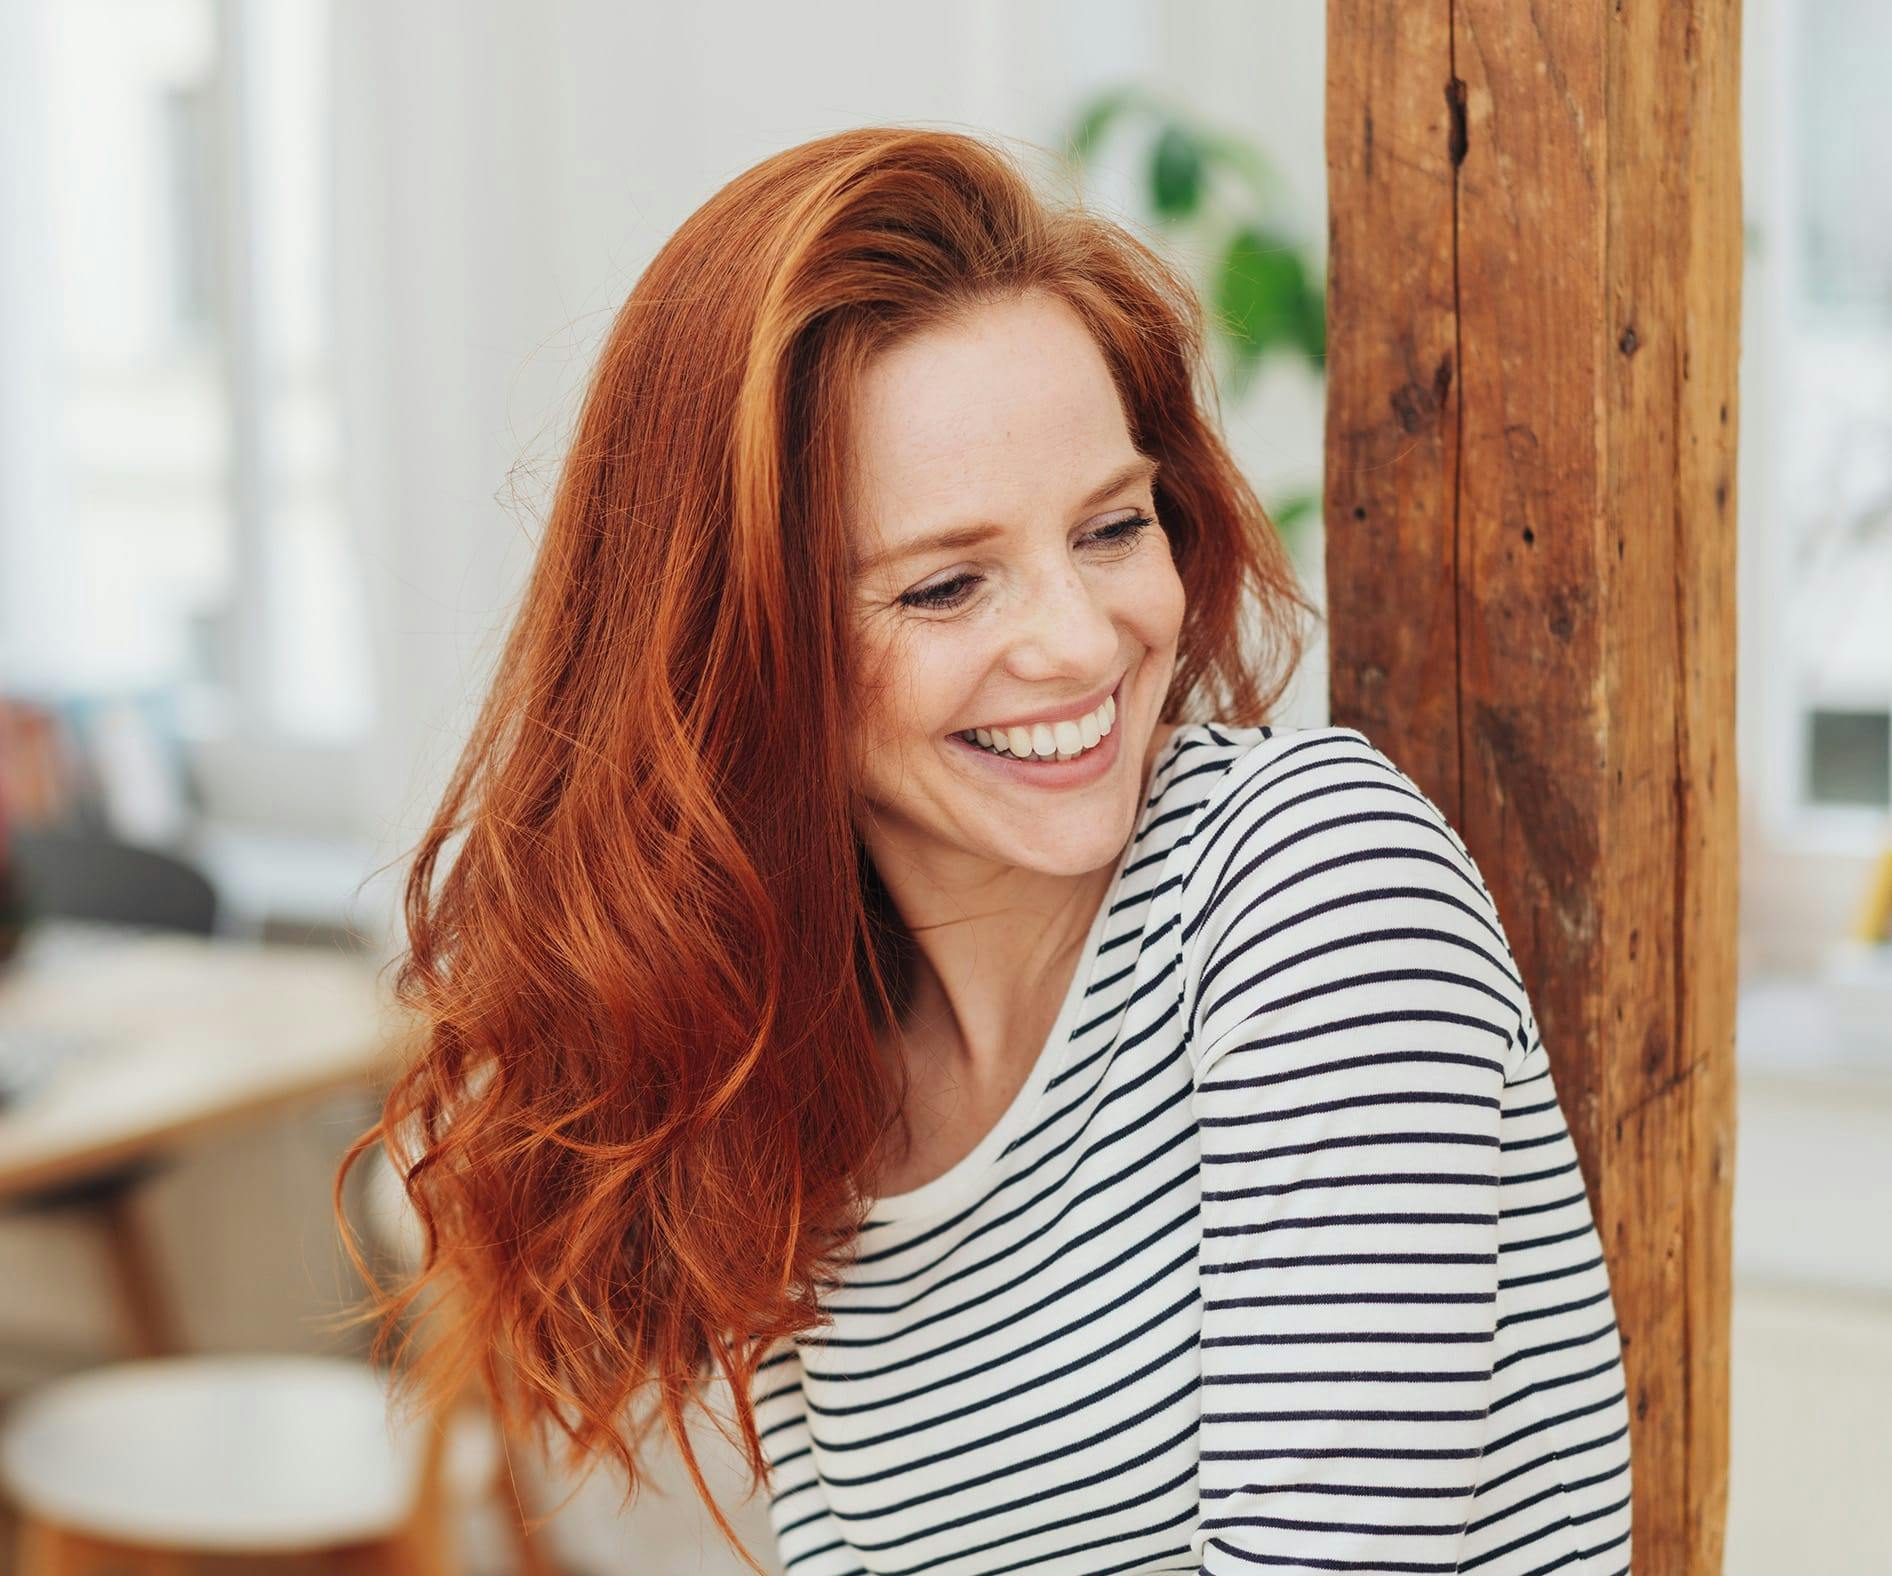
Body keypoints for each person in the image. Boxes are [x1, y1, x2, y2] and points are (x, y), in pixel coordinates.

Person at [335, 126, 1633, 1576]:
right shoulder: (808, 1090)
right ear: (740, 650)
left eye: (1110, 527)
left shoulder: (1311, 891)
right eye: (948, 586)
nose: (1080, 642)